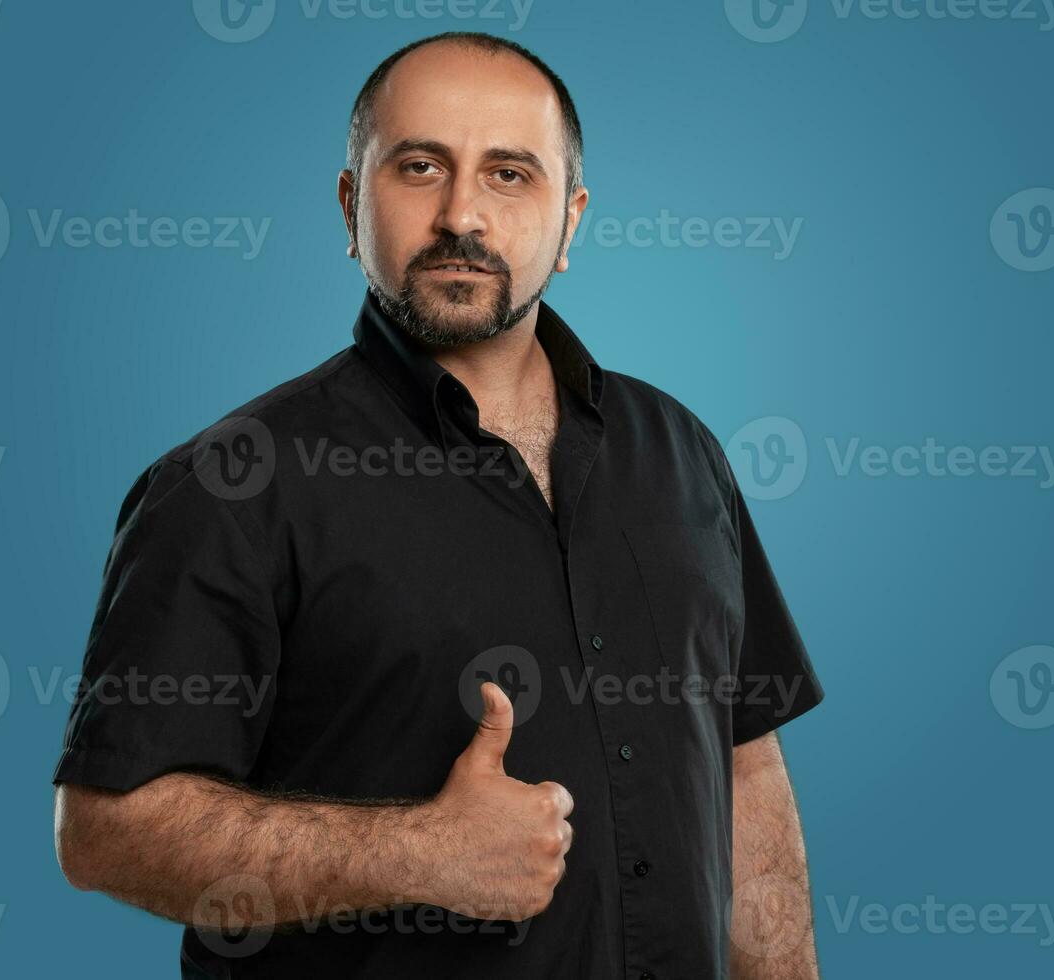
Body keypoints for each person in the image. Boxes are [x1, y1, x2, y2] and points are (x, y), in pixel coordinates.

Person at [52, 31, 823, 979]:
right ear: (350, 204)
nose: (462, 214)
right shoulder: (231, 485)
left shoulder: (681, 451)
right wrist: (418, 854)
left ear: (570, 221)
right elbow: (106, 828)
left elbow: (746, 771)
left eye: (510, 174)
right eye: (420, 167)